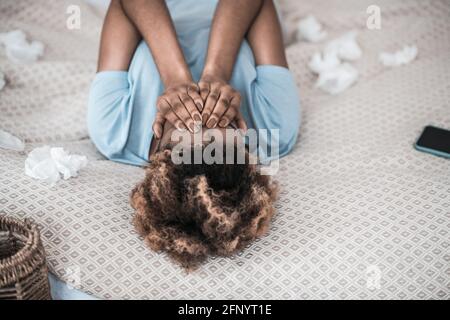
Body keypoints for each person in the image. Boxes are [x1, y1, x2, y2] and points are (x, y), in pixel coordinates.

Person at [87, 0, 301, 166]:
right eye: (221, 121)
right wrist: (217, 71)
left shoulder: (113, 131)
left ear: (162, 151)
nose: (200, 101)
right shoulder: (273, 130)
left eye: (192, 122)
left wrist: (175, 77)